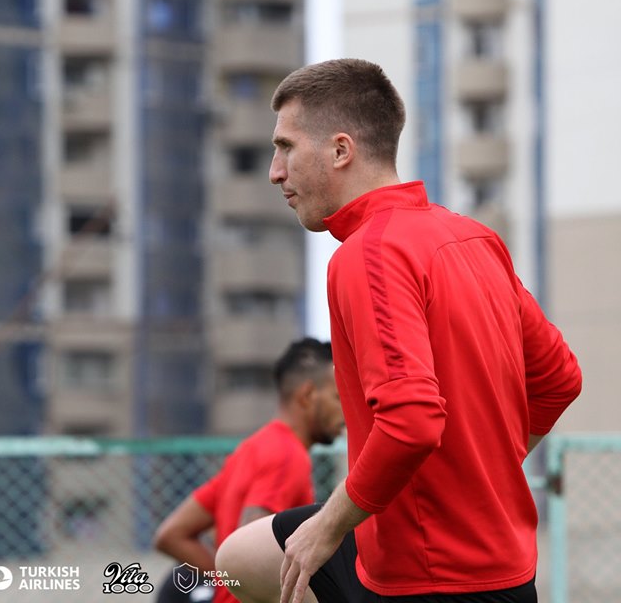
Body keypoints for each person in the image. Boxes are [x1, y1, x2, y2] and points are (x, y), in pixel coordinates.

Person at [216, 58, 583, 603]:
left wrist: (329, 526)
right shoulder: (472, 238)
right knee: (239, 559)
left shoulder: (370, 253)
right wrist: (478, 478)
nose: (275, 171)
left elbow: (411, 421)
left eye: (286, 147)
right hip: (495, 565)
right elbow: (560, 379)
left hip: (427, 579)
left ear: (341, 151)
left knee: (279, 554)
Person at [153, 338, 344, 603]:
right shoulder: (287, 456)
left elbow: (171, 535)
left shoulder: (249, 450)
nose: (346, 409)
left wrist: (224, 584)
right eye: (338, 397)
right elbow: (249, 541)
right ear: (308, 395)